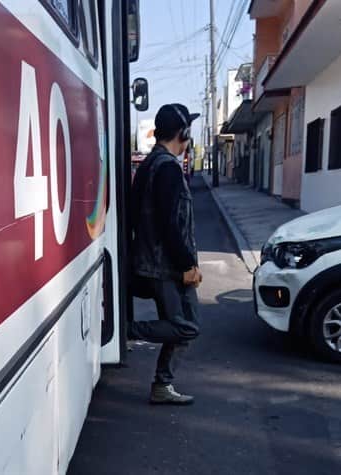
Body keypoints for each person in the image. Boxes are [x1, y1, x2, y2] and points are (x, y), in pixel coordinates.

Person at [129, 103, 202, 405]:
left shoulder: (150, 164)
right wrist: (187, 264)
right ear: (183, 133)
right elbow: (170, 223)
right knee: (186, 326)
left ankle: (163, 384)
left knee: (185, 325)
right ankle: (125, 332)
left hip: (155, 261)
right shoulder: (168, 168)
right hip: (167, 266)